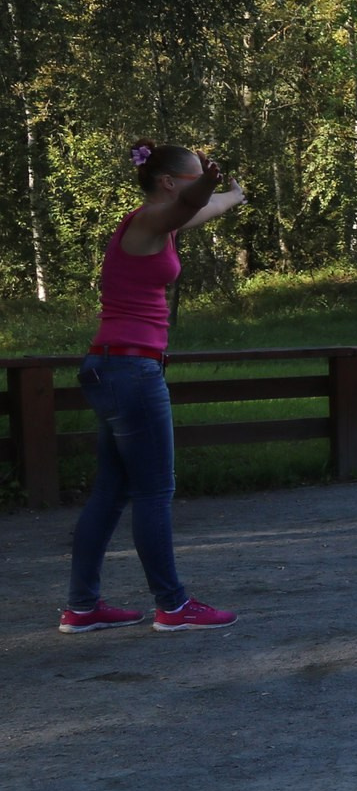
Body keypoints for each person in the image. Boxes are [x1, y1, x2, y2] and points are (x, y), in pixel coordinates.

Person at [60, 141, 246, 636]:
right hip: (131, 372)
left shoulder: (159, 225)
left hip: (114, 369)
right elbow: (192, 203)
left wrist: (232, 195)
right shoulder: (146, 222)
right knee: (154, 491)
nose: (199, 186)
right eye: (192, 177)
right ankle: (173, 605)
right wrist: (208, 182)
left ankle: (82, 608)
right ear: (168, 183)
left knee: (111, 492)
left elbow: (200, 209)